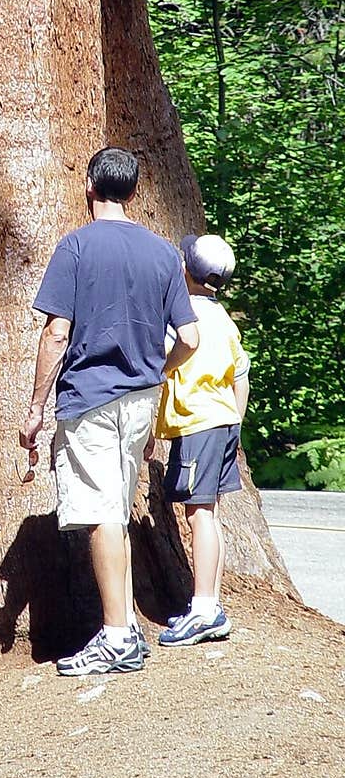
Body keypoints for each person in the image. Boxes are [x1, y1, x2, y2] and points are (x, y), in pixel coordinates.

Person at [19, 146, 199, 676]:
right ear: (134, 193)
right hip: (142, 399)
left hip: (90, 398)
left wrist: (34, 409)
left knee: (100, 516)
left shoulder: (75, 248)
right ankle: (126, 632)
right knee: (115, 512)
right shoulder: (165, 253)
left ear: (90, 187)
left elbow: (56, 333)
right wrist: (155, 373)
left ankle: (118, 638)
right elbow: (188, 338)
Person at [147, 232, 250, 647]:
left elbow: (165, 364)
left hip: (198, 423)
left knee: (198, 515)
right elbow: (240, 374)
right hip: (223, 421)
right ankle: (210, 604)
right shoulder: (223, 318)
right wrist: (235, 422)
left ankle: (205, 608)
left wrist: (155, 418)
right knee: (211, 514)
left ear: (185, 270)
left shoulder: (184, 315)